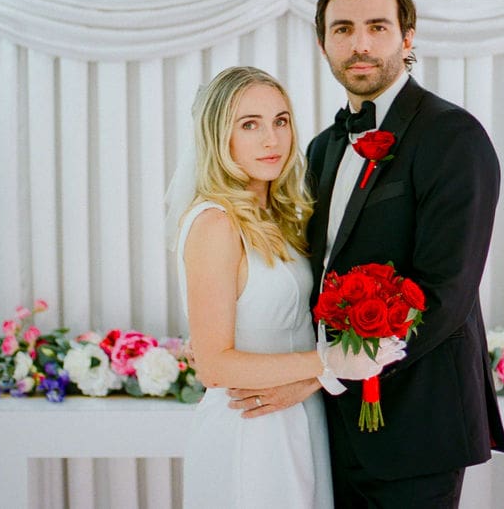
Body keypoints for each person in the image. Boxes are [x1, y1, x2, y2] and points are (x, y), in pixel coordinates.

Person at [229, 0, 504, 507]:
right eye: (342, 29)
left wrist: (321, 375)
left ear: (407, 37)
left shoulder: (454, 138)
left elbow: (443, 296)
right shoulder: (319, 148)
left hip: (416, 430)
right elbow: (309, 272)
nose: (359, 44)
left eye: (377, 27)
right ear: (322, 42)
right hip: (325, 430)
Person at [170, 66, 405, 509]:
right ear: (219, 137)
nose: (271, 140)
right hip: (250, 427)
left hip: (300, 416)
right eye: (249, 125)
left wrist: (318, 375)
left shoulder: (281, 217)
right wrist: (328, 361)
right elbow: (214, 366)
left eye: (280, 121)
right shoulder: (215, 223)